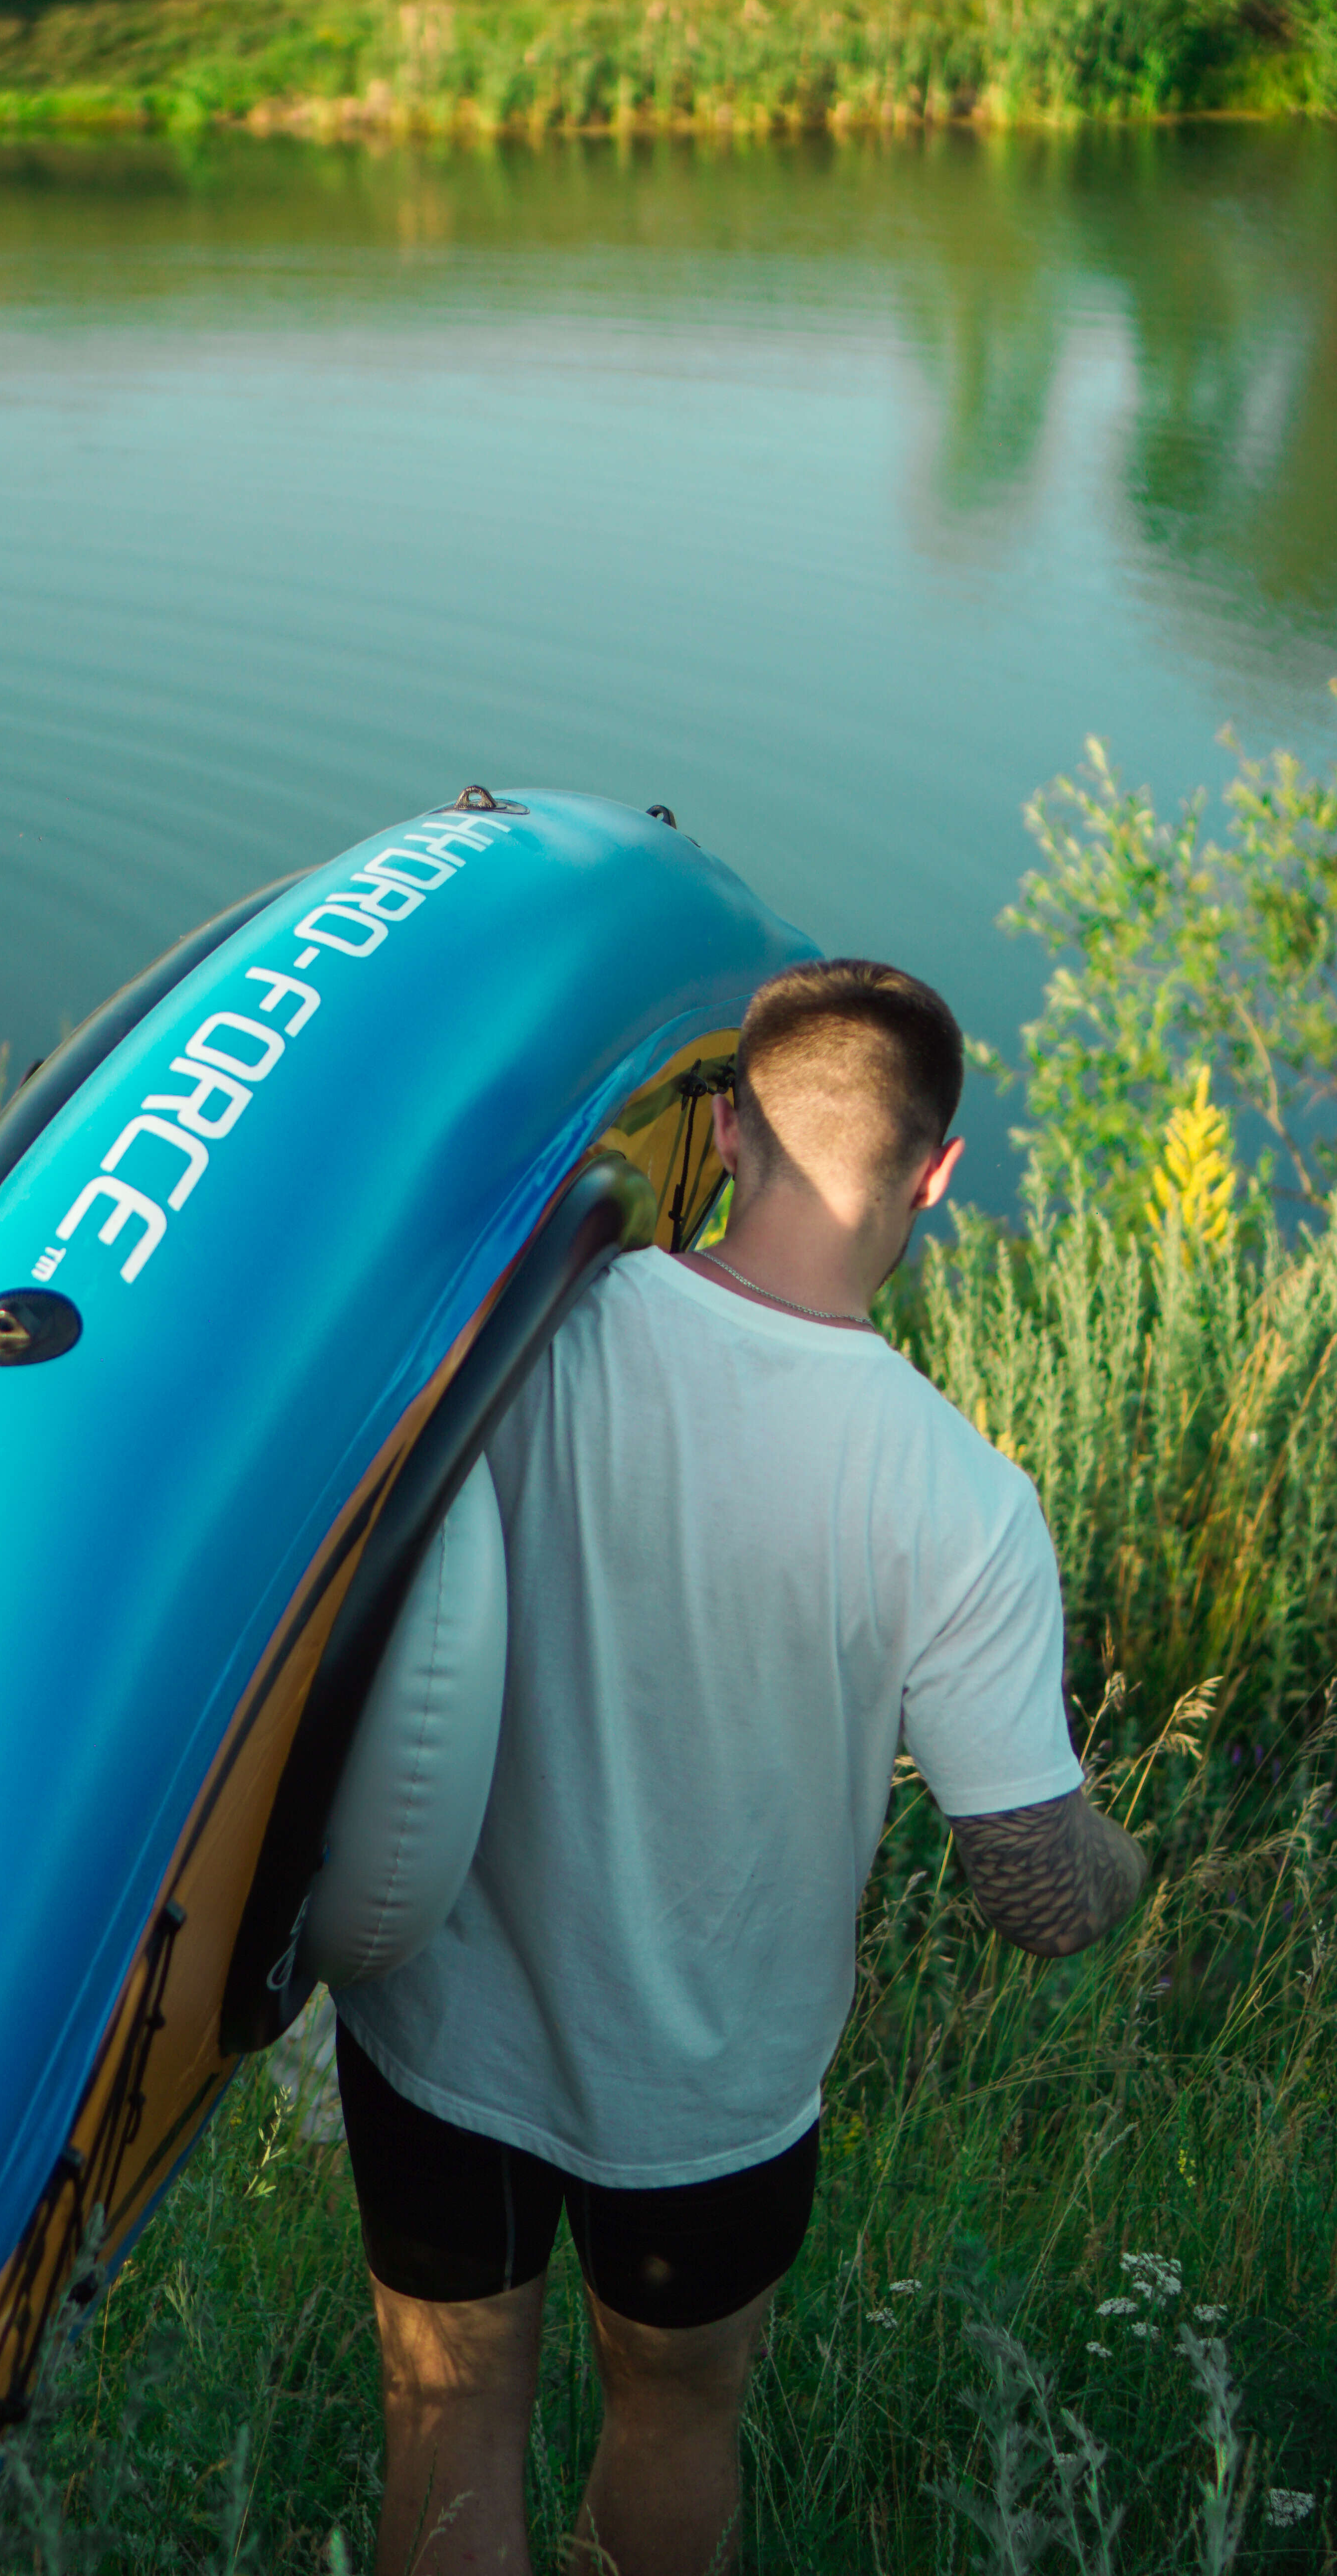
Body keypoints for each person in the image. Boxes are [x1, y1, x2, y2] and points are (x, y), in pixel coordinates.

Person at [332, 958, 1146, 2576]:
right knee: (676, 2427)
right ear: (935, 1174)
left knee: (447, 2431)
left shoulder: (526, 1338)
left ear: (724, 1126)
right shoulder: (962, 1496)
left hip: (442, 2036)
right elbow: (1042, 1897)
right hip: (708, 2106)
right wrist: (1128, 1864)